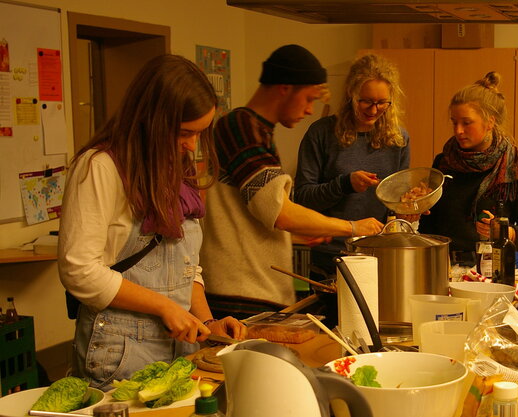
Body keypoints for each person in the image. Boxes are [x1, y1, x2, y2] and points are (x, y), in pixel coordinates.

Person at [57, 55, 247, 389]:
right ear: (152, 121)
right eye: (185, 133)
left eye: (199, 134)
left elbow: (185, 266)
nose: (191, 145)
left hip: (179, 351)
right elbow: (79, 270)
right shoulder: (100, 168)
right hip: (120, 355)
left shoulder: (176, 168)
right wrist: (163, 306)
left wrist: (206, 322)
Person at [201, 45, 383, 307]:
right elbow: (281, 212)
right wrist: (353, 227)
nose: (310, 110)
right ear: (284, 88)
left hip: (255, 290)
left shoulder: (257, 130)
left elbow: (252, 212)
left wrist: (292, 236)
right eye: (309, 98)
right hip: (240, 295)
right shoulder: (240, 126)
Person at [294, 54, 409, 278]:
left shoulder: (398, 139)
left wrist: (411, 208)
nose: (374, 110)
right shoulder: (321, 133)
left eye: (382, 103)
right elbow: (302, 197)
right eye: (366, 101)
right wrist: (344, 184)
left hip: (378, 254)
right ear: (351, 94)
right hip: (330, 256)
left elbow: (397, 204)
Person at [419, 72, 518, 267]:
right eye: (454, 122)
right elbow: (428, 227)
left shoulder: (515, 167)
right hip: (443, 268)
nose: (458, 130)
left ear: (490, 122)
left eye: (466, 123)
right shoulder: (444, 162)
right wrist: (415, 209)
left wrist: (505, 231)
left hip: (491, 270)